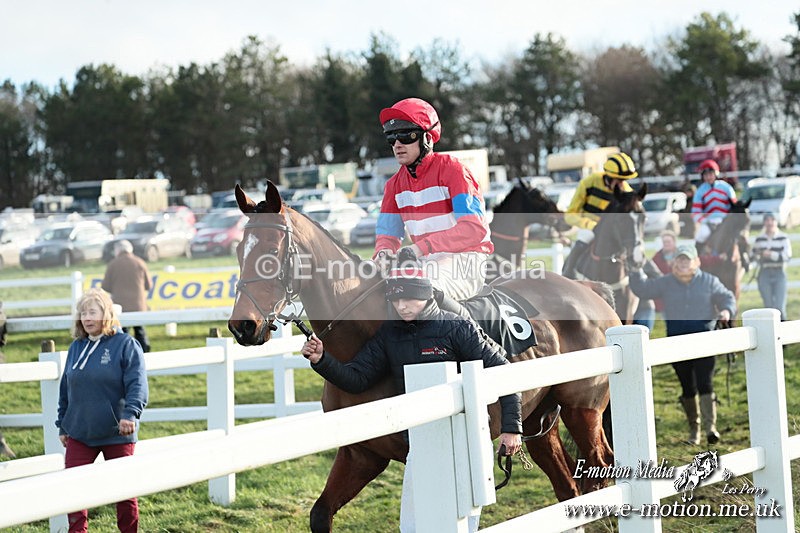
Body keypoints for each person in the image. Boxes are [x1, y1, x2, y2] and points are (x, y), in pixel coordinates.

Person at [301, 267, 521, 532]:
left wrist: (511, 429)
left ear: (426, 296)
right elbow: (357, 379)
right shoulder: (389, 335)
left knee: (461, 523)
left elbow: (504, 371)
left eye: (409, 299)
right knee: (412, 526)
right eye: (395, 300)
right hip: (419, 443)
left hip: (465, 442)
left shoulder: (458, 327)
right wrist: (322, 360)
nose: (402, 307)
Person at [374, 97, 493, 308]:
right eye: (392, 138)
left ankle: (475, 341)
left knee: (419, 288)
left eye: (406, 135)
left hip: (465, 262)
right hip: (423, 262)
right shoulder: (393, 185)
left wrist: (421, 248)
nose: (398, 144)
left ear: (427, 137)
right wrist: (383, 254)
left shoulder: (454, 171)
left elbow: (474, 229)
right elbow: (388, 236)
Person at [56, 288, 149, 532]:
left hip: (116, 431)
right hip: (79, 432)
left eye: (92, 312)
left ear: (105, 313)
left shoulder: (126, 344)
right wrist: (62, 424)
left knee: (124, 492)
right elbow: (66, 387)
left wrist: (130, 414)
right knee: (74, 490)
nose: (87, 318)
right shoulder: (76, 347)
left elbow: (137, 383)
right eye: (83, 313)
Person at [629, 245, 735, 446]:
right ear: (674, 263)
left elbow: (727, 297)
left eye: (687, 260)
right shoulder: (666, 282)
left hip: (704, 341)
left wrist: (726, 311)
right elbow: (643, 288)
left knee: (705, 383)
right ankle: (694, 431)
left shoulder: (709, 281)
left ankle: (710, 428)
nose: (683, 263)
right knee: (688, 387)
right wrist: (634, 269)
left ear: (696, 262)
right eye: (680, 260)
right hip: (676, 343)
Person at [561, 152, 638, 279]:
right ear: (609, 176)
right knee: (581, 243)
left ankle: (646, 282)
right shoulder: (589, 182)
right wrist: (589, 224)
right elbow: (570, 215)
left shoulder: (626, 191)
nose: (622, 184)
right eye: (619, 180)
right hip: (590, 227)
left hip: (615, 230)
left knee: (634, 247)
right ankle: (567, 275)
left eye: (625, 180)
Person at [102, 240, 152, 352]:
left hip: (120, 306)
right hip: (138, 305)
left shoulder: (113, 264)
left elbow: (105, 286)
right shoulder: (140, 262)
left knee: (123, 332)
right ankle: (145, 353)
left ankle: (125, 353)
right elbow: (148, 285)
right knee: (140, 330)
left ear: (118, 250)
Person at [752, 212, 791, 321]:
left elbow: (787, 256)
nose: (769, 223)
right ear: (764, 222)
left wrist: (771, 255)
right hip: (764, 272)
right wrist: (759, 255)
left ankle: (783, 333)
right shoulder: (759, 239)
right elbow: (753, 255)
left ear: (776, 222)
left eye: (772, 220)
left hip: (779, 272)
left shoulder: (783, 237)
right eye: (767, 220)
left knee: (780, 306)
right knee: (768, 307)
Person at [691, 159, 736, 252]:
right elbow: (695, 213)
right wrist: (705, 221)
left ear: (716, 174)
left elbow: (735, 207)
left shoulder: (726, 187)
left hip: (727, 220)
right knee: (702, 234)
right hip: (709, 222)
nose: (708, 177)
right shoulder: (700, 192)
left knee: (739, 236)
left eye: (711, 174)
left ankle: (746, 258)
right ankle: (696, 258)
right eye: (705, 175)